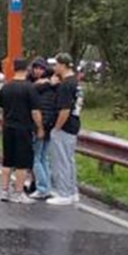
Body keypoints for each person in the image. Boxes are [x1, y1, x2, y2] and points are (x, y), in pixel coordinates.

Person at [0, 58, 44, 203]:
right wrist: (40, 128)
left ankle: (4, 191)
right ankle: (18, 192)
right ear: (27, 69)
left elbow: (2, 108)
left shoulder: (5, 88)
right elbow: (35, 112)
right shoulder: (30, 88)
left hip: (8, 127)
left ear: (14, 69)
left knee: (7, 161)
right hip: (23, 129)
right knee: (22, 163)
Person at [47, 53, 83, 206]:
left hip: (65, 125)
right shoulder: (76, 82)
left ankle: (64, 192)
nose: (54, 68)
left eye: (56, 64)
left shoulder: (65, 86)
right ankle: (72, 190)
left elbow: (64, 109)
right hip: (74, 123)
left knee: (60, 160)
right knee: (69, 160)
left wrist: (56, 127)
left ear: (63, 65)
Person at [27, 57, 59, 200]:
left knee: (36, 158)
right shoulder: (52, 85)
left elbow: (39, 108)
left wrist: (40, 126)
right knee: (43, 157)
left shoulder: (38, 87)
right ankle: (46, 187)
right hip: (49, 124)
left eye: (40, 68)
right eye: (36, 68)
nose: (38, 71)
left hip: (40, 124)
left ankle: (42, 187)